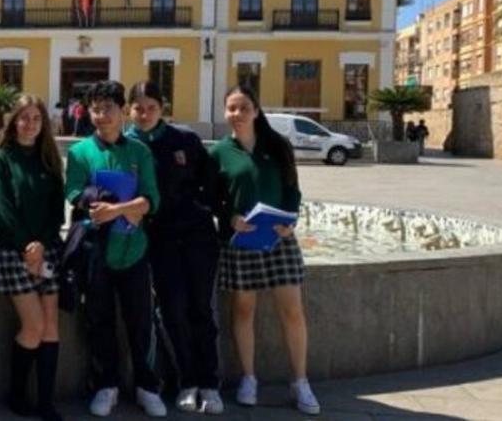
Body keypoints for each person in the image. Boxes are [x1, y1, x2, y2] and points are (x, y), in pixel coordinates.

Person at [209, 85, 319, 415]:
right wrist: (229, 217)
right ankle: (249, 378)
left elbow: (292, 190)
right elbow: (213, 197)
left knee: (292, 310)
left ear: (256, 110)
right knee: (243, 311)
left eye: (244, 108)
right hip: (241, 242)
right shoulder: (218, 153)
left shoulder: (277, 146)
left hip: (278, 239)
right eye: (231, 108)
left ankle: (300, 382)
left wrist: (290, 218)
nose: (237, 114)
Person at [63, 81, 165, 418]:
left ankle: (147, 386)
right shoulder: (79, 153)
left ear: (123, 111)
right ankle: (106, 385)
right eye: (95, 108)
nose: (102, 115)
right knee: (100, 320)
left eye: (109, 108)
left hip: (134, 250)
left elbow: (152, 199)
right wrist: (96, 200)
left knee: (141, 322)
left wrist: (118, 210)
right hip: (97, 252)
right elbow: (75, 192)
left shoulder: (139, 152)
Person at [125, 82, 223, 415]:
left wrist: (201, 208)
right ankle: (188, 381)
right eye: (138, 107)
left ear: (162, 108)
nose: (145, 113)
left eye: (151, 106)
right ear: (129, 110)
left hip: (197, 237)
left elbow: (211, 180)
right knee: (173, 311)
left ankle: (210, 383)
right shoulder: (127, 145)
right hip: (159, 239)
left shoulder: (185, 140)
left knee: (201, 310)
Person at [0, 95, 65, 421]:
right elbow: (3, 210)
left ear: (44, 124)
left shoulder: (50, 160)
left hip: (47, 250)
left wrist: (41, 244)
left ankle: (46, 402)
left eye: (36, 118)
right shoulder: (2, 158)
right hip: (12, 252)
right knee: (34, 326)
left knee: (51, 327)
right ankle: (17, 394)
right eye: (23, 118)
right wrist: (27, 247)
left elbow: (57, 211)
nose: (29, 123)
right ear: (13, 121)